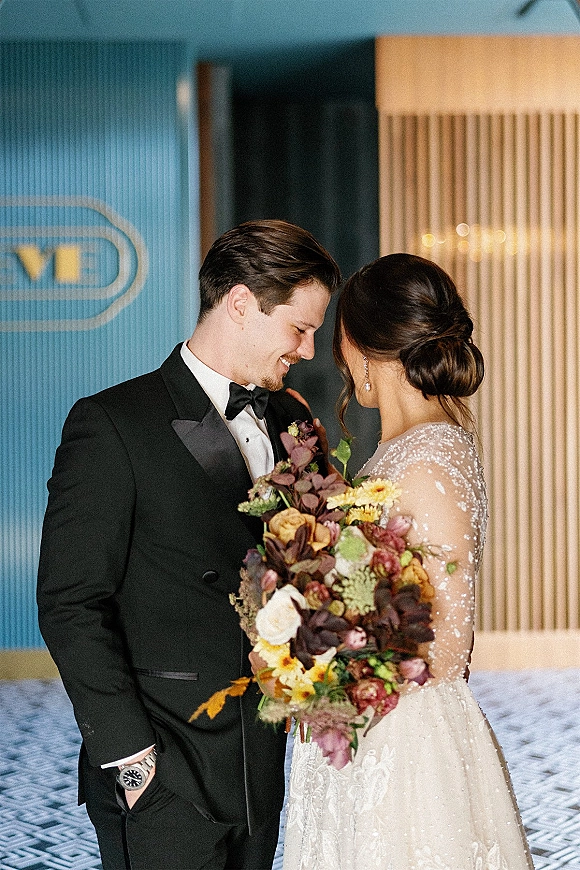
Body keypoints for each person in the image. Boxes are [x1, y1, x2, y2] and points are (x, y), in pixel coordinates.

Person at [37, 219, 341, 870]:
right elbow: (70, 603)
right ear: (239, 303)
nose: (310, 350)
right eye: (300, 327)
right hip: (160, 769)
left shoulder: (292, 420)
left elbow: (324, 561)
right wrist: (129, 757)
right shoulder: (113, 424)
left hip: (260, 764)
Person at [282, 253, 533, 870]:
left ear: (363, 348)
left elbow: (446, 644)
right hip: (363, 721)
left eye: (338, 342)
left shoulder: (426, 458)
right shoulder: (405, 449)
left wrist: (329, 655)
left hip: (402, 744)